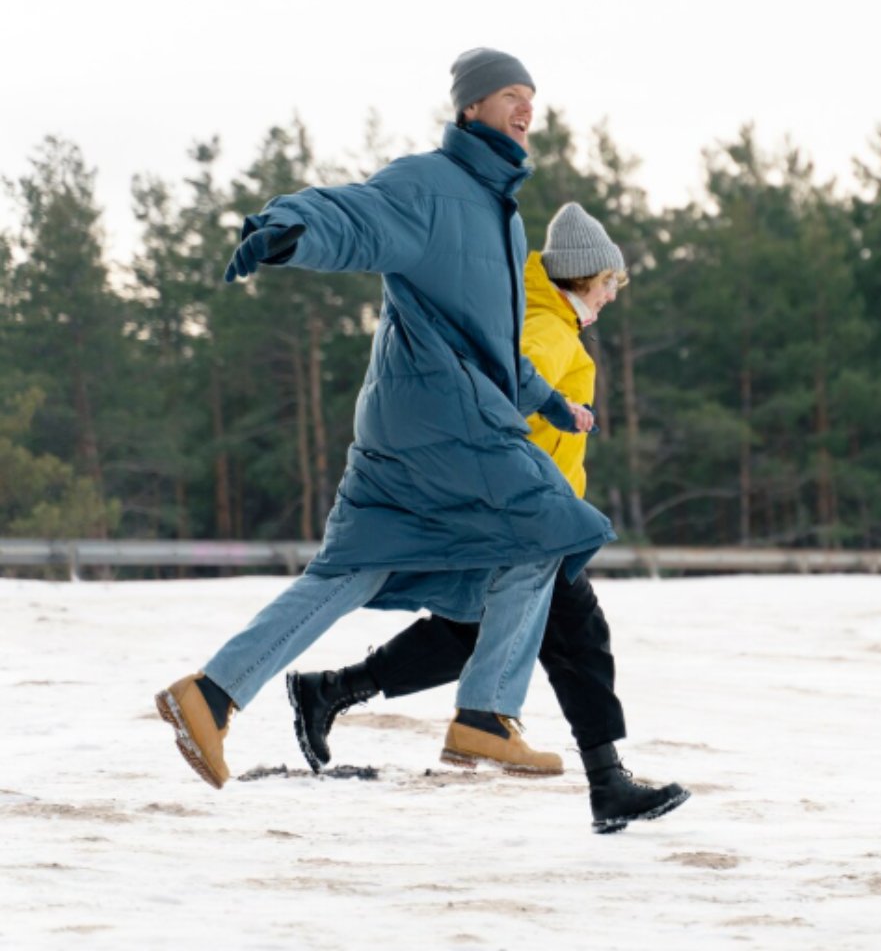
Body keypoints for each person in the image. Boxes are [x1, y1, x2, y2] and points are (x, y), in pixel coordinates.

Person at [156, 49, 614, 791]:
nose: (524, 108)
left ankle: (209, 696)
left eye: (530, 96)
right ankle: (487, 716)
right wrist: (286, 229)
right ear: (471, 108)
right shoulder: (430, 184)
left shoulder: (503, 214)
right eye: (507, 95)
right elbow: (353, 214)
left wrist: (550, 401)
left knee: (349, 572)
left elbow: (490, 342)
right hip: (450, 424)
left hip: (408, 431)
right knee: (549, 530)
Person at [287, 204, 689, 834]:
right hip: (527, 521)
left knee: (473, 634)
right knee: (579, 639)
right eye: (610, 282)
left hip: (522, 518)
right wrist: (524, 485)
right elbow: (497, 399)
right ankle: (608, 783)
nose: (613, 295)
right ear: (583, 279)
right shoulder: (546, 333)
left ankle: (332, 689)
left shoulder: (545, 321)